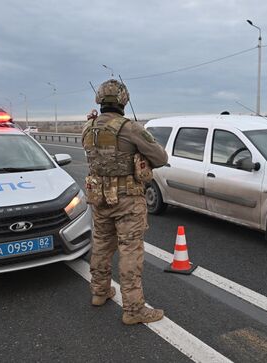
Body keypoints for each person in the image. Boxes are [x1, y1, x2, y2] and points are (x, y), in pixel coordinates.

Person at [82, 79, 168, 325]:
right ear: (123, 100)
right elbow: (161, 157)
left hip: (99, 198)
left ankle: (99, 292)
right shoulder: (129, 128)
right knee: (130, 250)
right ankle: (133, 309)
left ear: (99, 100)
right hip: (128, 200)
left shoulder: (88, 128)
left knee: (101, 245)